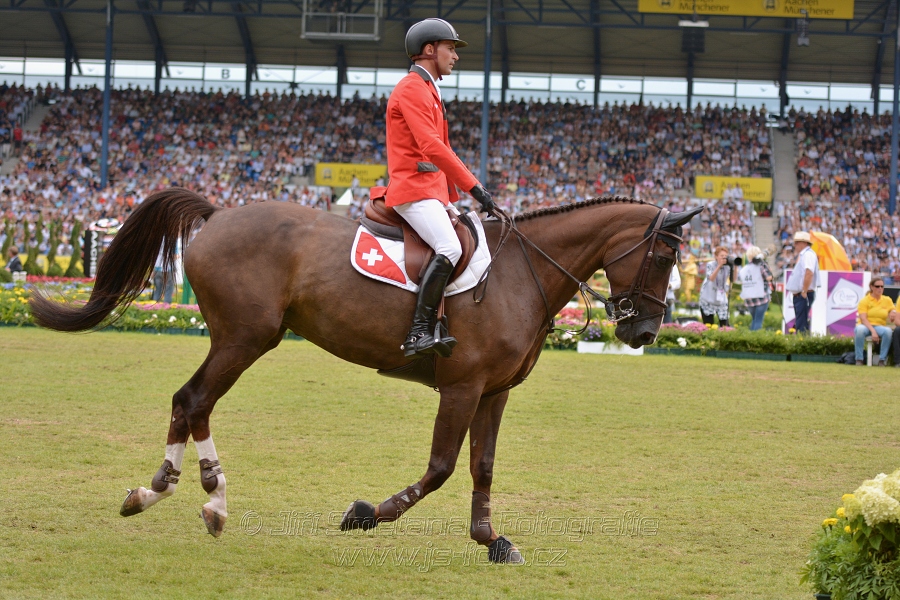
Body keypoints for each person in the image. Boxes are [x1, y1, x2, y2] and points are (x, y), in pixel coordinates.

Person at [385, 18, 495, 358]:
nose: (455, 56)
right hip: (412, 189)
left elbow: (437, 150)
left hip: (429, 190)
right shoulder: (412, 88)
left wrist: (452, 199)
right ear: (429, 49)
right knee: (450, 247)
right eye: (450, 48)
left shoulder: (430, 88)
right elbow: (432, 148)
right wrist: (474, 187)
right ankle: (418, 332)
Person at [855, 277, 894, 366]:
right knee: (860, 330)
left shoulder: (887, 299)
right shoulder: (864, 300)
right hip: (865, 325)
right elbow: (863, 319)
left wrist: (893, 312)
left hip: (880, 326)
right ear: (871, 287)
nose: (880, 289)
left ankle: (882, 360)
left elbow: (892, 309)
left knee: (888, 331)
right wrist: (873, 331)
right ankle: (859, 359)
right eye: (877, 286)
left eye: (882, 286)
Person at [785, 231, 819, 333]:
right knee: (801, 322)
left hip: (803, 294)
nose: (795, 245)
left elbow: (809, 273)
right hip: (802, 294)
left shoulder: (808, 255)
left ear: (804, 243)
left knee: (801, 324)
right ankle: (802, 342)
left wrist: (804, 291)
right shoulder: (805, 254)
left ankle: (802, 344)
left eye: (797, 242)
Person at [738, 246, 774, 331]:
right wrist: (769, 270)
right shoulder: (761, 265)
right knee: (758, 321)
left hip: (749, 298)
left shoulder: (744, 269)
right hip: (761, 297)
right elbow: (769, 277)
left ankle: (751, 338)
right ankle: (755, 339)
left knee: (754, 320)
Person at [699, 246, 732, 327]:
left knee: (725, 325)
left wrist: (735, 266)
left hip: (721, 299)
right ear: (716, 256)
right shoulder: (710, 264)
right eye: (721, 256)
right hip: (708, 298)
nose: (724, 258)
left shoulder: (727, 266)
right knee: (709, 325)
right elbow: (711, 278)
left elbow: (733, 279)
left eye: (725, 256)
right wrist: (719, 266)